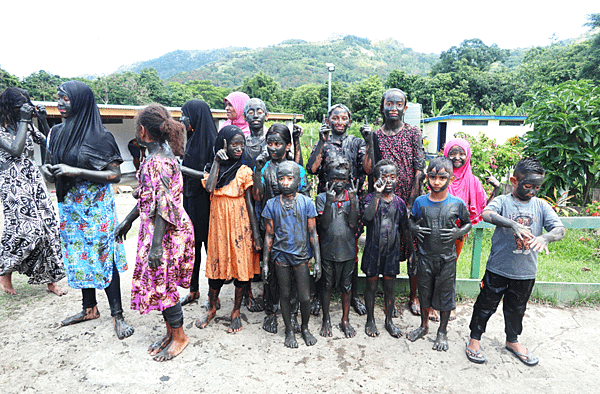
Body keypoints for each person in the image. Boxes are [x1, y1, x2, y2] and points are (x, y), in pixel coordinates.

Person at [41, 80, 133, 340]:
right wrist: (50, 171)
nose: (59, 102)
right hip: (70, 206)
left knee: (104, 256)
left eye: (66, 99)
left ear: (80, 102)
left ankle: (118, 315)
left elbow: (115, 175)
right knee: (79, 257)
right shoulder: (56, 133)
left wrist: (77, 171)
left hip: (96, 208)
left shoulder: (101, 136)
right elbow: (51, 166)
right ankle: (89, 309)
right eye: (58, 97)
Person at [465, 157, 565, 366]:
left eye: (537, 187)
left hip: (525, 271)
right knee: (485, 305)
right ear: (514, 181)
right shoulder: (502, 201)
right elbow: (486, 214)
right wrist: (512, 224)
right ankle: (474, 339)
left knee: (517, 309)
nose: (532, 191)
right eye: (528, 186)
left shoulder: (541, 205)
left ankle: (512, 341)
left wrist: (544, 237)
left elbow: (560, 229)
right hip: (498, 268)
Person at [115, 104, 194, 361]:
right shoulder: (155, 157)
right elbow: (149, 198)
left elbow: (164, 204)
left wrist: (157, 245)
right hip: (159, 229)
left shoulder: (158, 162)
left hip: (166, 232)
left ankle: (180, 336)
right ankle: (171, 332)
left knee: (164, 282)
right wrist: (128, 220)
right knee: (160, 283)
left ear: (142, 131)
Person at [363, 88, 426, 316]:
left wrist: (410, 203)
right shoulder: (376, 135)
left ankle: (413, 296)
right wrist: (369, 140)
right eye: (389, 103)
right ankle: (384, 298)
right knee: (382, 246)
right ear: (382, 106)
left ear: (405, 108)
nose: (393, 108)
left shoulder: (412, 132)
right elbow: (369, 169)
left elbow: (418, 170)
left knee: (412, 248)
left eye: (398, 104)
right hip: (382, 200)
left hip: (407, 200)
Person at [0, 87, 65, 296]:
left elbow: (50, 141)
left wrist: (44, 120)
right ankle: (4, 271)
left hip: (33, 180)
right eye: (18, 108)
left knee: (48, 226)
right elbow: (15, 149)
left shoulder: (25, 124)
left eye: (24, 108)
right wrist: (25, 121)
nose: (22, 112)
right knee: (25, 228)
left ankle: (51, 280)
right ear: (7, 107)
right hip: (11, 182)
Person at [196, 125, 262, 333]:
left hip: (240, 226)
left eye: (241, 145)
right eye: (234, 144)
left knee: (241, 269)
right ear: (223, 144)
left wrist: (256, 235)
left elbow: (251, 205)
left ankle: (235, 311)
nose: (239, 148)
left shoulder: (244, 171)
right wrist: (217, 161)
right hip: (218, 227)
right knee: (216, 267)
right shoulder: (212, 168)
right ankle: (212, 307)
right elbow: (209, 187)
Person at [307, 103, 367, 316]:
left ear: (350, 121)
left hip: (351, 200)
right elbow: (312, 169)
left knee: (352, 248)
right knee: (323, 246)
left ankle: (353, 295)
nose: (339, 122)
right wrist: (321, 142)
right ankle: (318, 295)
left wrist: (369, 141)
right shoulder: (324, 142)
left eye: (344, 118)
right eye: (335, 118)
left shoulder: (357, 143)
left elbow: (367, 168)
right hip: (328, 200)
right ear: (328, 120)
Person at [406, 157, 471, 351]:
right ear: (427, 178)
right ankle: (424, 326)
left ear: (450, 180)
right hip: (425, 257)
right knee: (424, 293)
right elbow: (410, 221)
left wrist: (458, 232)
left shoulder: (457, 203)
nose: (436, 182)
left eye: (442, 177)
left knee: (445, 296)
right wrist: (414, 228)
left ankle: (442, 331)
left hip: (447, 259)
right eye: (432, 177)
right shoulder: (420, 202)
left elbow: (467, 223)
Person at [253, 123, 309, 333]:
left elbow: (304, 196)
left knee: (293, 277)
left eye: (278, 143)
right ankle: (271, 311)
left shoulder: (296, 168)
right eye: (269, 143)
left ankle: (292, 313)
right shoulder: (264, 167)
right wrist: (258, 170)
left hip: (293, 229)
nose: (273, 148)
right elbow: (257, 197)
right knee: (271, 274)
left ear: (287, 146)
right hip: (269, 225)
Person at [262, 161, 321, 348]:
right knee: (285, 295)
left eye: (290, 178)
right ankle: (288, 329)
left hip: (301, 256)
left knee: (304, 297)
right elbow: (269, 235)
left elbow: (313, 232)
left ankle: (304, 327)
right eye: (281, 179)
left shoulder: (306, 202)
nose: (285, 183)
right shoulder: (272, 204)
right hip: (281, 257)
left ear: (298, 180)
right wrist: (265, 263)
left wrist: (317, 260)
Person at [361, 160, 412, 338]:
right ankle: (370, 320)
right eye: (384, 177)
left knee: (390, 288)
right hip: (373, 251)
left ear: (398, 179)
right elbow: (367, 218)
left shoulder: (399, 203)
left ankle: (389, 320)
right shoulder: (370, 198)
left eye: (392, 177)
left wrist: (411, 253)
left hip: (391, 252)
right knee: (371, 286)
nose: (388, 181)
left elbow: (405, 229)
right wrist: (376, 193)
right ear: (376, 179)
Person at [177, 99, 217, 308]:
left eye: (185, 115)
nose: (182, 119)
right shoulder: (190, 139)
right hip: (190, 200)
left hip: (207, 203)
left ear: (196, 117)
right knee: (193, 250)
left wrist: (182, 170)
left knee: (210, 249)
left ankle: (214, 295)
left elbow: (209, 176)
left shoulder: (213, 142)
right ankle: (194, 290)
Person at [315, 157, 359, 338]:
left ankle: (345, 320)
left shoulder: (351, 197)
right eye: (335, 179)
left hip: (347, 251)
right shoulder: (321, 198)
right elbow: (323, 226)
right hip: (327, 250)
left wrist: (355, 202)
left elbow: (354, 225)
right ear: (328, 178)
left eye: (343, 179)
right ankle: (326, 319)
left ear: (348, 179)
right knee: (326, 284)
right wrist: (328, 201)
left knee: (346, 286)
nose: (339, 183)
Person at [443, 137, 500, 256]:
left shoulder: (473, 181)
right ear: (446, 154)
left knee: (451, 266)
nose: (457, 157)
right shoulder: (439, 177)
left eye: (461, 154)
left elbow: (484, 209)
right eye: (452, 153)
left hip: (458, 233)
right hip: (436, 231)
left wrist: (496, 188)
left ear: (467, 156)